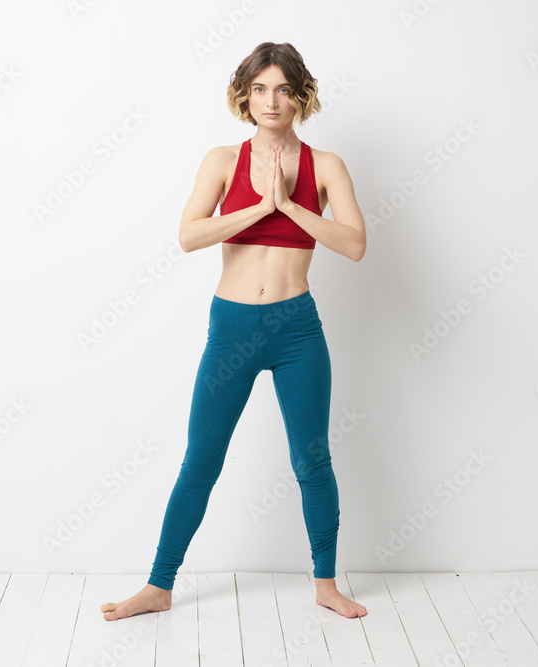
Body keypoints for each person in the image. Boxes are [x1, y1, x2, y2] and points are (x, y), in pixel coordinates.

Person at [101, 42, 367, 621]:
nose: (272, 100)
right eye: (260, 89)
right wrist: (259, 206)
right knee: (202, 460)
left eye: (284, 88)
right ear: (245, 96)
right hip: (233, 327)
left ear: (302, 95)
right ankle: (159, 584)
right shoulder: (223, 160)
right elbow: (189, 235)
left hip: (298, 328)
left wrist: (290, 207)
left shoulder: (326, 167)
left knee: (312, 460)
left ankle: (325, 583)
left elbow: (355, 245)